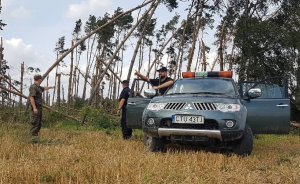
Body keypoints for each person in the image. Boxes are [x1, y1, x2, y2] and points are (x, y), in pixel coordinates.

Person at [29, 74, 54, 142]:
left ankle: (35, 139)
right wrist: (34, 108)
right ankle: (33, 140)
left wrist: (51, 87)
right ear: (39, 79)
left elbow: (44, 88)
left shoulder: (38, 87)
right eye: (41, 79)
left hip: (39, 108)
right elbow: (31, 97)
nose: (41, 80)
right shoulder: (33, 87)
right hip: (36, 108)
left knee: (38, 123)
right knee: (35, 123)